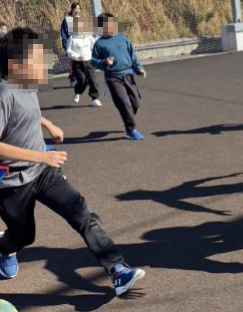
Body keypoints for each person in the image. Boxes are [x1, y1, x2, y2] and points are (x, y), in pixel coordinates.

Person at [0, 27, 145, 296]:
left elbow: (26, 112)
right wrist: (41, 155)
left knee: (81, 212)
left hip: (43, 171)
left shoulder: (26, 84)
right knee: (24, 235)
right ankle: (5, 247)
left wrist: (48, 124)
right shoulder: (3, 94)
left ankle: (118, 269)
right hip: (11, 181)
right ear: (16, 64)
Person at [91, 13, 146, 140]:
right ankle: (130, 130)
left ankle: (129, 116)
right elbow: (93, 61)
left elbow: (133, 56)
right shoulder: (99, 44)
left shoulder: (123, 38)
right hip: (113, 78)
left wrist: (139, 69)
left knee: (135, 104)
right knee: (124, 104)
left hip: (128, 75)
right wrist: (104, 62)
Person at [67, 17, 101, 107]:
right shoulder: (72, 38)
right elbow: (69, 51)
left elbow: (94, 47)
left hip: (89, 62)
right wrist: (78, 56)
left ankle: (95, 99)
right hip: (78, 64)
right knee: (82, 81)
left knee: (93, 80)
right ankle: (77, 91)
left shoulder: (89, 37)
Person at [60, 2, 81, 85]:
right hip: (70, 45)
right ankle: (72, 77)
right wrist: (66, 45)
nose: (77, 10)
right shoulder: (67, 20)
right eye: (76, 8)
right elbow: (64, 34)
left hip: (79, 45)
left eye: (79, 8)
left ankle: (77, 77)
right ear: (72, 9)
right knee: (73, 62)